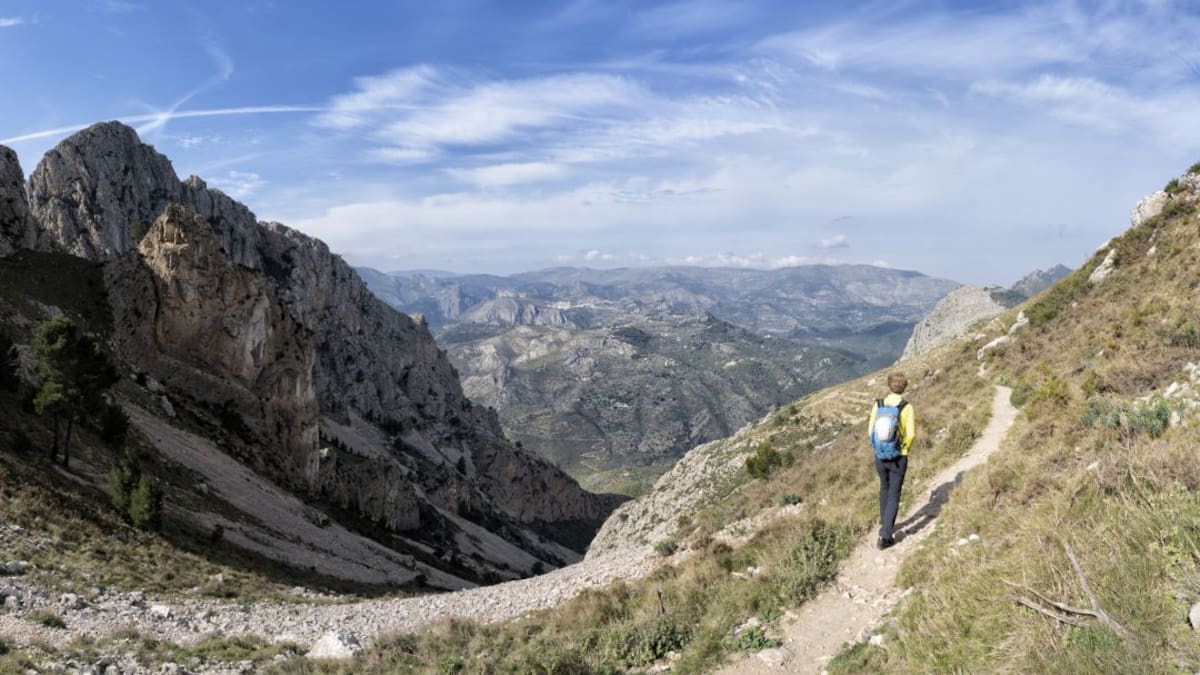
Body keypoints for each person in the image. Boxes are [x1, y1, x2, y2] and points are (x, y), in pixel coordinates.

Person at [868, 372, 916, 550]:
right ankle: (885, 536)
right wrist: (904, 448)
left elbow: (870, 432)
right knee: (894, 494)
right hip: (898, 457)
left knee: (884, 488)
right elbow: (911, 434)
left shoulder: (879, 404)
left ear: (889, 386)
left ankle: (885, 523)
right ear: (904, 387)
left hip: (880, 456)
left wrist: (878, 448)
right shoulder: (906, 407)